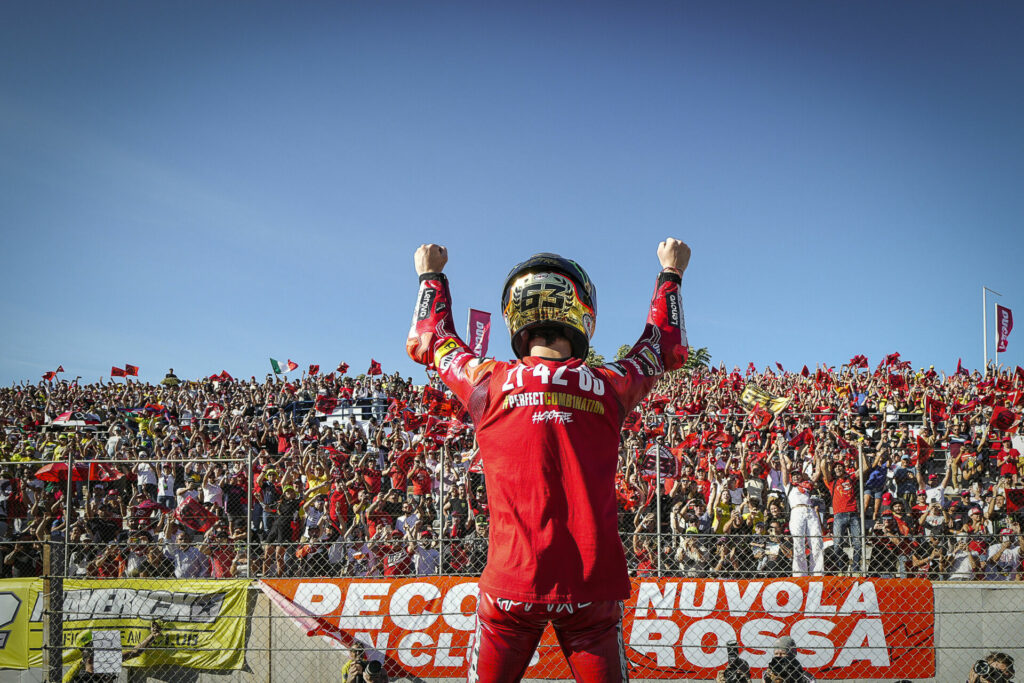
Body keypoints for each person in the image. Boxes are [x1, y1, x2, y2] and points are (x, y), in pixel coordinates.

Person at [407, 239, 690, 682]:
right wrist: (669, 276)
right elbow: (664, 346)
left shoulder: (487, 383)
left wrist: (431, 278)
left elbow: (431, 340)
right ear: (581, 313)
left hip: (510, 586)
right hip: (590, 589)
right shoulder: (610, 384)